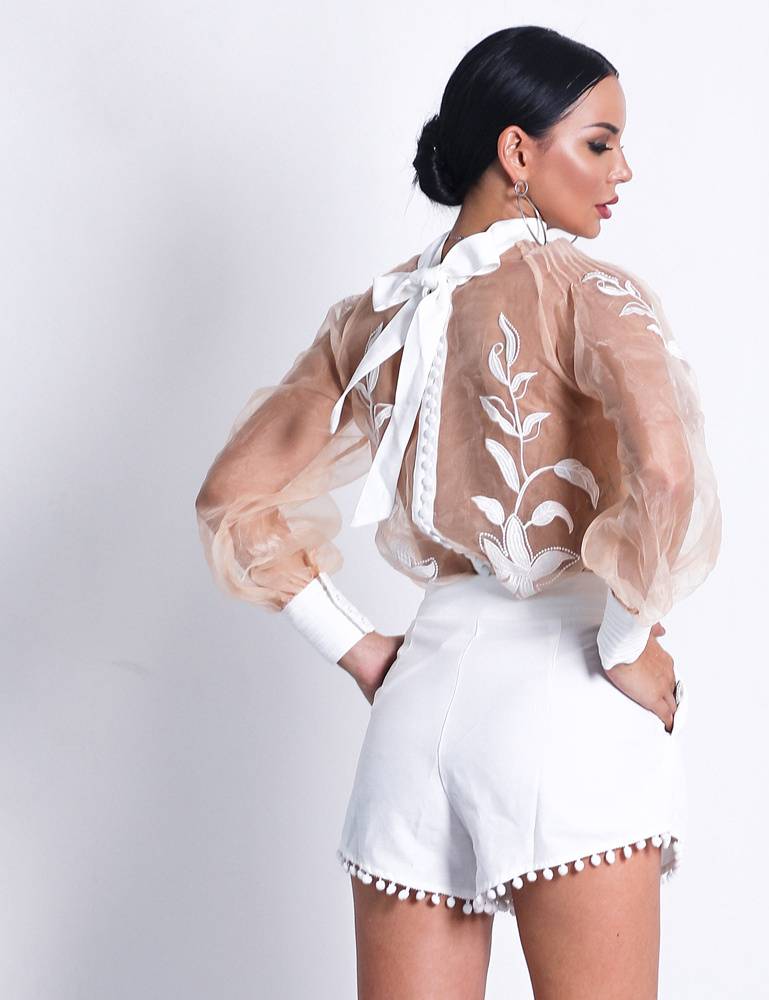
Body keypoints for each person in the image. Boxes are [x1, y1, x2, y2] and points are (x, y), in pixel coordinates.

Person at [194, 24, 722, 1000]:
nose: (624, 170)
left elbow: (232, 494)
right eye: (600, 142)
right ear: (518, 151)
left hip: (419, 707)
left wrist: (358, 648)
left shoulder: (377, 313)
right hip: (568, 703)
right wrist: (622, 642)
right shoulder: (590, 293)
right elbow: (668, 476)